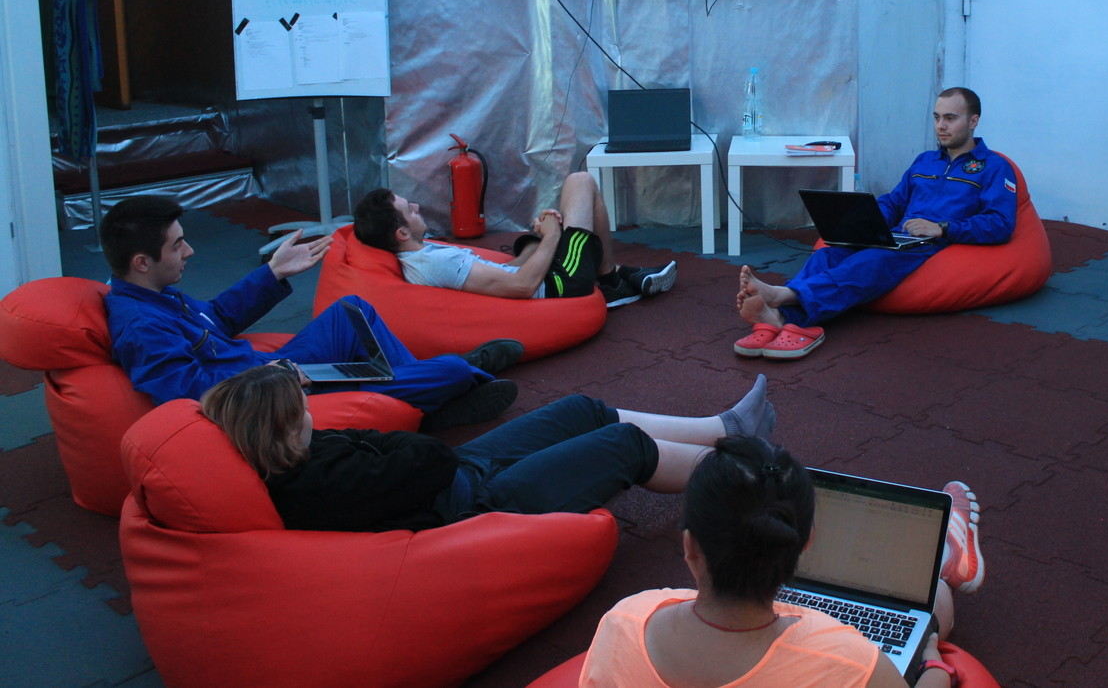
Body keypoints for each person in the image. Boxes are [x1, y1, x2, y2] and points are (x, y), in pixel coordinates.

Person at [578, 436, 985, 687]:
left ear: (690, 546)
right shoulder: (852, 663)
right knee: (935, 602)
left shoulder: (625, 620)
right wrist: (936, 669)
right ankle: (947, 558)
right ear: (805, 544)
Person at [100, 195, 521, 432]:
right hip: (271, 388)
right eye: (177, 245)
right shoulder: (141, 326)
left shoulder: (154, 295)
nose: (189, 251)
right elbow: (187, 393)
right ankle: (454, 379)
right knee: (450, 370)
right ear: (142, 262)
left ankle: (427, 390)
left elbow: (216, 319)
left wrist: (273, 272)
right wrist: (276, 377)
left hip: (269, 366)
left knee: (351, 310)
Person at [199, 363, 777, 532]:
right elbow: (424, 456)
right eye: (299, 405)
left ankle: (724, 427)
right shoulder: (320, 484)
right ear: (280, 428)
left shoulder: (305, 450)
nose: (310, 408)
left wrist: (388, 448)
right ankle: (759, 479)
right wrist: (390, 448)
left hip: (457, 473)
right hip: (475, 507)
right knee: (623, 444)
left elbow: (411, 456)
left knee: (578, 410)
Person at [734, 87, 1015, 359]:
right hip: (898, 234)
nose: (941, 126)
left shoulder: (994, 167)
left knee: (872, 261)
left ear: (973, 121)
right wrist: (866, 218)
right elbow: (895, 201)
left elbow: (1000, 223)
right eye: (937, 117)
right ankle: (781, 318)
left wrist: (942, 228)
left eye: (950, 118)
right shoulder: (925, 161)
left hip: (931, 242)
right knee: (830, 253)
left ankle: (782, 297)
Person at [353, 171, 676, 309]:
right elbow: (522, 286)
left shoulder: (421, 254)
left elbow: (508, 273)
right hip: (559, 284)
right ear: (401, 233)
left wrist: (537, 243)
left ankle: (613, 276)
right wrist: (553, 234)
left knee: (572, 196)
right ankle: (611, 280)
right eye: (408, 210)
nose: (416, 206)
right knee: (581, 181)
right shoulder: (436, 262)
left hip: (545, 277)